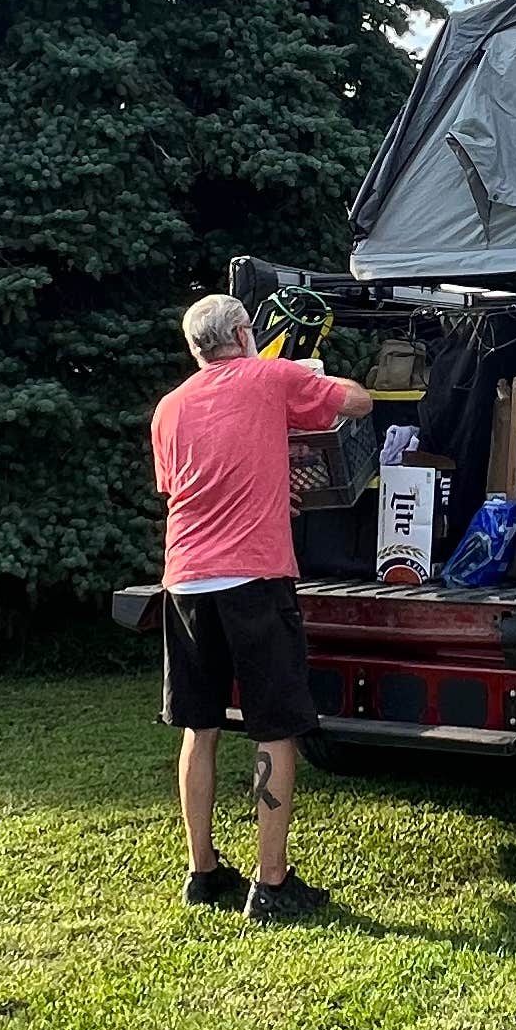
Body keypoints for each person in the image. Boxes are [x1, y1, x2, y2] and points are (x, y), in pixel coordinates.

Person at [151, 290, 373, 921]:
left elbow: (187, 487)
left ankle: (203, 873)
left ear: (195, 348)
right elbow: (359, 402)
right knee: (274, 728)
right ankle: (271, 885)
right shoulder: (273, 376)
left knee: (201, 726)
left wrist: (269, 487)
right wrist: (317, 373)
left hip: (186, 581)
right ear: (245, 333)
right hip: (254, 578)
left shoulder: (168, 409)